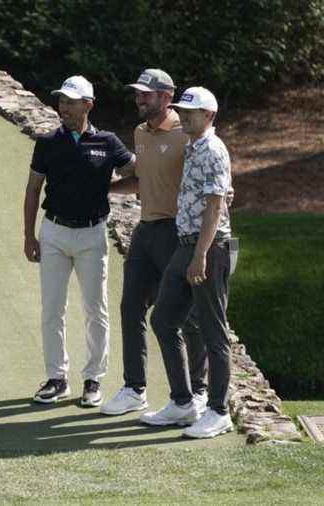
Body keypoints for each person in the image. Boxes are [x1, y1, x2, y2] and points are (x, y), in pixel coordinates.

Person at [101, 69, 208, 416]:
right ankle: (134, 388)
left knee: (185, 314)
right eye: (137, 94)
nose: (139, 99)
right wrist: (102, 188)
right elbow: (142, 181)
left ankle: (199, 390)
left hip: (176, 232)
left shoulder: (185, 132)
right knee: (130, 307)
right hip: (145, 229)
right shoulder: (140, 133)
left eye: (146, 94)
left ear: (166, 97)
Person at [24, 75, 135, 407]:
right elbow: (32, 190)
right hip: (54, 232)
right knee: (52, 309)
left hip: (92, 233)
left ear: (88, 105)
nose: (64, 107)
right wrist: (28, 235)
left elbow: (139, 176)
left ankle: (93, 379)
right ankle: (57, 378)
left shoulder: (108, 142)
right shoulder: (47, 142)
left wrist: (109, 189)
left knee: (95, 308)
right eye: (61, 101)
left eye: (71, 102)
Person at [140, 86, 235, 438]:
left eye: (192, 112)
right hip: (186, 246)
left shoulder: (212, 149)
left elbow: (215, 207)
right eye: (182, 110)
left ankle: (218, 410)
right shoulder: (193, 146)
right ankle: (182, 402)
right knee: (163, 318)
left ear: (209, 116)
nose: (185, 116)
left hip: (209, 249)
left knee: (213, 329)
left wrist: (200, 257)